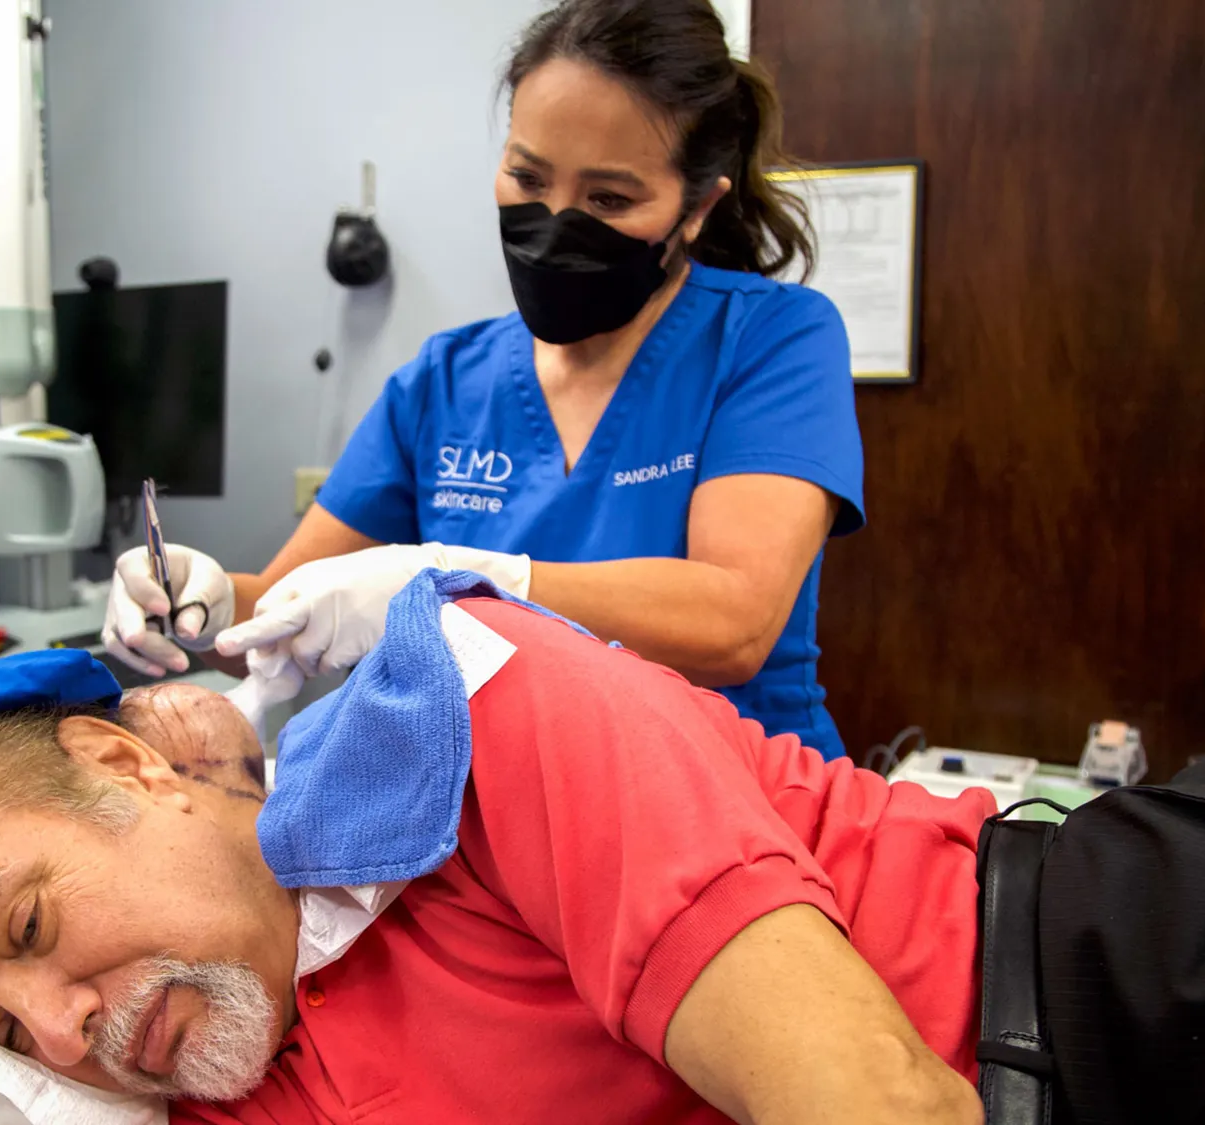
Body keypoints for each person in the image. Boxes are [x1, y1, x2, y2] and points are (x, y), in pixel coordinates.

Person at [0, 576, 1205, 1124]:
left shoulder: (474, 723)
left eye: (31, 926)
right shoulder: (217, 1069)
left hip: (1170, 967)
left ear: (130, 760)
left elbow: (883, 1108)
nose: (58, 1030)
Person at [102, 0, 865, 757]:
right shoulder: (443, 383)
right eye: (528, 177)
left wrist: (457, 578)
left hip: (734, 802)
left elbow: (733, 624)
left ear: (697, 208)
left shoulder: (771, 339)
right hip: (507, 820)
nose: (557, 219)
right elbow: (280, 608)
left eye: (609, 198)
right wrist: (196, 597)